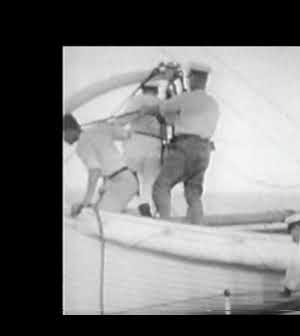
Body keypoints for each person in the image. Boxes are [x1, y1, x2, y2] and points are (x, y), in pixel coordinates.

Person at [141, 62, 219, 224]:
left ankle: (165, 225)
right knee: (193, 193)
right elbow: (182, 117)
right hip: (204, 150)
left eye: (190, 77)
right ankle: (197, 227)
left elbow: (162, 108)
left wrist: (146, 110)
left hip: (185, 148)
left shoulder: (185, 98)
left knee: (161, 187)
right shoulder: (213, 103)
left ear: (194, 78)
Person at [63, 113, 139, 217]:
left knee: (98, 217)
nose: (64, 140)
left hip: (121, 183)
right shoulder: (99, 129)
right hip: (124, 180)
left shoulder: (82, 145)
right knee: (96, 213)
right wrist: (113, 124)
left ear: (69, 130)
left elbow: (95, 171)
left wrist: (85, 202)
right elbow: (126, 135)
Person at [120, 82, 165, 217]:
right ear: (156, 90)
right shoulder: (162, 102)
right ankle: (146, 206)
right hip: (155, 143)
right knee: (149, 181)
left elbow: (123, 120)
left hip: (137, 141)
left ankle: (131, 203)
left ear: (143, 89)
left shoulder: (136, 100)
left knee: (127, 174)